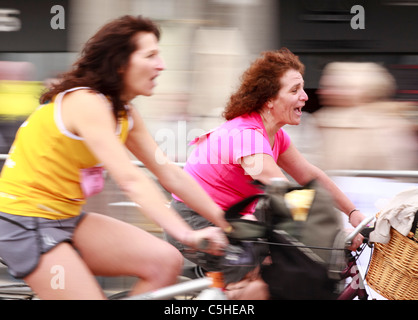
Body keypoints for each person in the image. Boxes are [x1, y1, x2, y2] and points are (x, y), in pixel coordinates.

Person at [0, 15, 230, 300]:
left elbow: (170, 174)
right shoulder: (86, 102)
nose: (162, 65)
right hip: (24, 222)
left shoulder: (125, 114)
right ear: (120, 63)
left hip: (66, 218)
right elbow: (131, 180)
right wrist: (186, 234)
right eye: (151, 55)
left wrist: (227, 222)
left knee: (165, 261)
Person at [167, 48, 366, 299]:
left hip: (235, 221)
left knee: (285, 273)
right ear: (269, 99)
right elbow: (282, 191)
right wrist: (335, 235)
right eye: (294, 91)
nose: (305, 96)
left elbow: (309, 176)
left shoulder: (274, 134)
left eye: (302, 88)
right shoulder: (247, 137)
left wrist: (353, 213)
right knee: (259, 289)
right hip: (197, 220)